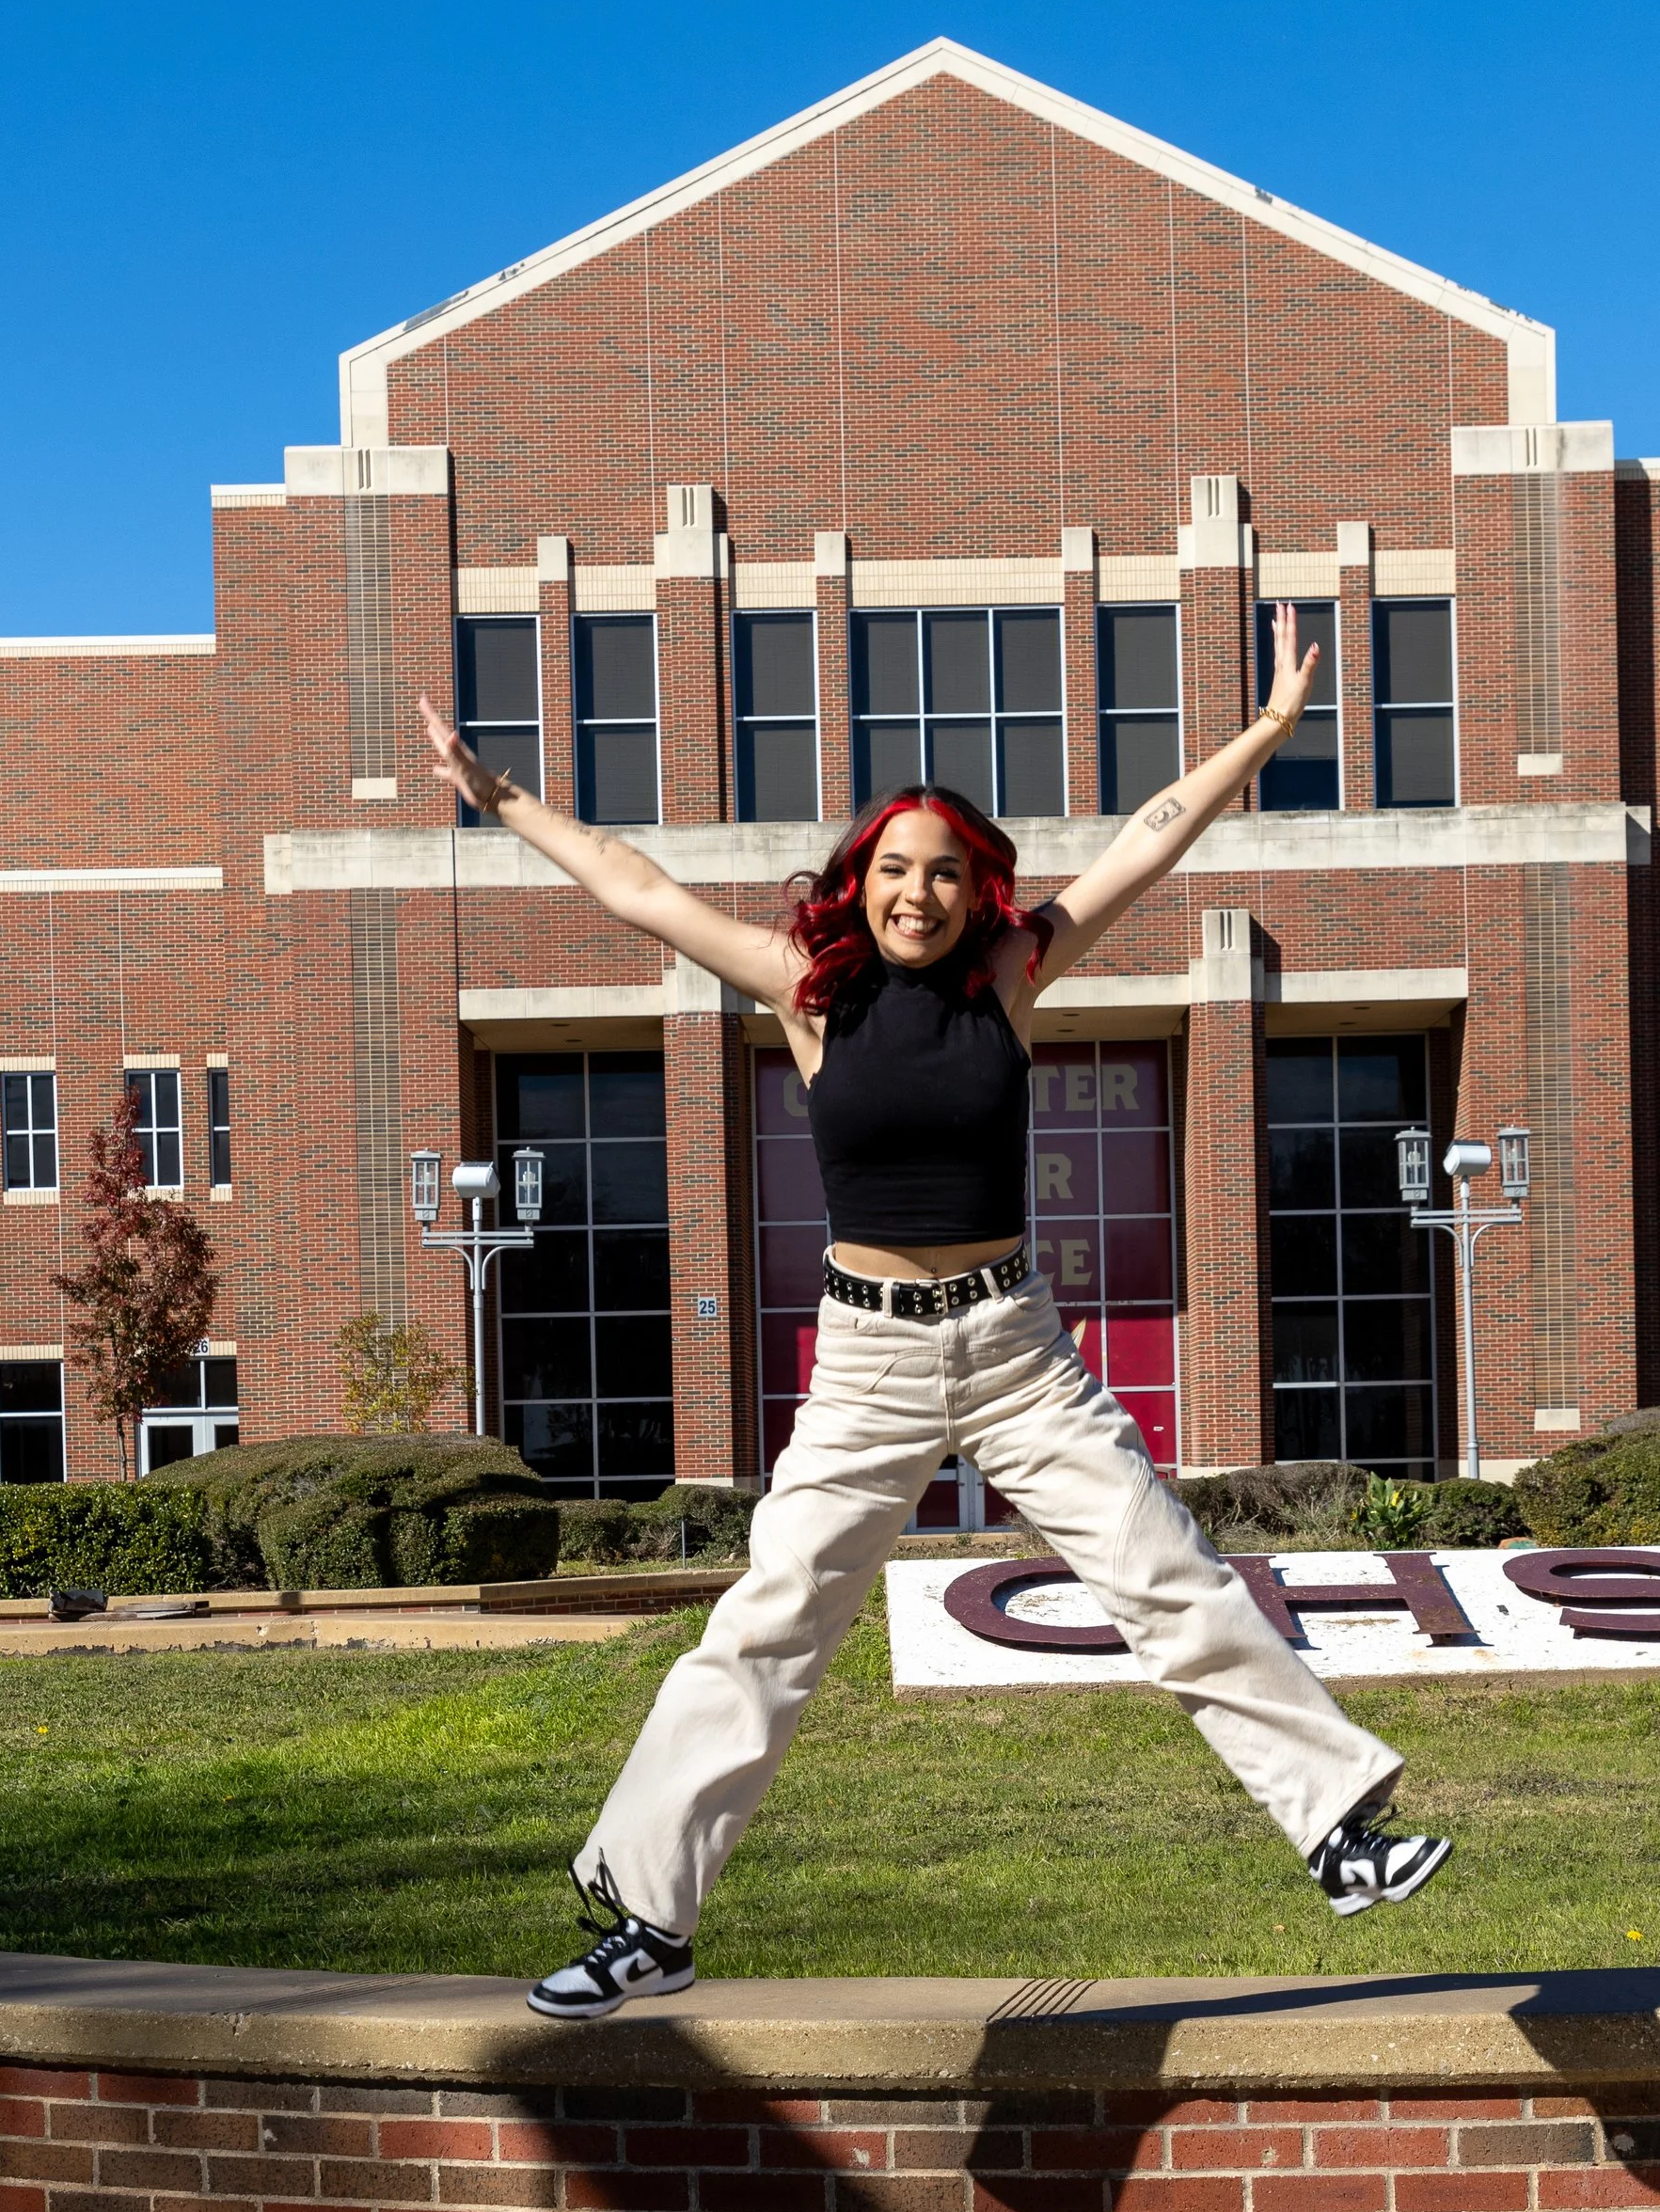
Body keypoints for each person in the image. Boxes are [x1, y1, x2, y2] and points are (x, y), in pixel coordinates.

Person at [418, 606, 1451, 2023]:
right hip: (867, 1362)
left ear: (979, 890)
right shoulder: (810, 994)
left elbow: (1151, 835)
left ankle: (1339, 1830)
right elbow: (632, 884)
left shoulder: (1014, 977)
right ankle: (651, 1918)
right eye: (895, 870)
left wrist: (1266, 736)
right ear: (862, 883)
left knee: (1166, 1574)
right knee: (770, 1621)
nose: (918, 892)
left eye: (944, 872)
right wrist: (503, 798)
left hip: (1020, 1352)